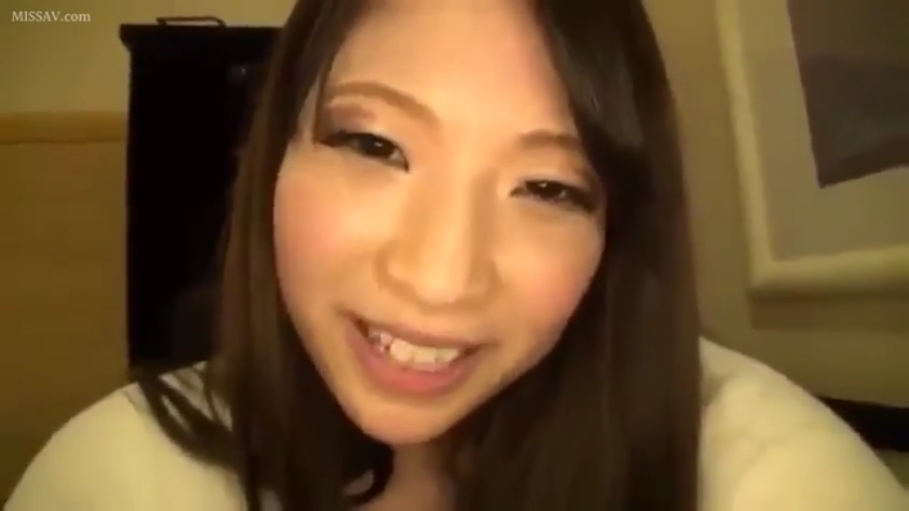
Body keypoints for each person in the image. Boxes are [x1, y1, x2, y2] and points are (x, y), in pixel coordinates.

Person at [7, 0, 907, 509]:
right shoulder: (118, 476)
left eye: (547, 187)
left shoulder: (769, 473)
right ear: (274, 150)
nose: (438, 280)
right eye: (374, 145)